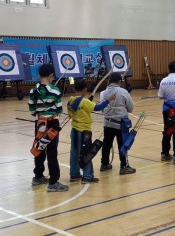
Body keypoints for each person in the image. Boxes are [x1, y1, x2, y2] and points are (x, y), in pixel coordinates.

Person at [28, 64, 68, 192]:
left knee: (39, 148)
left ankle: (38, 177)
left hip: (40, 123)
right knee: (52, 152)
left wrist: (41, 112)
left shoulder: (33, 91)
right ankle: (53, 182)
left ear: (39, 75)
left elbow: (32, 111)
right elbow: (59, 110)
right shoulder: (55, 91)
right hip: (52, 124)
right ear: (51, 75)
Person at [67, 79, 112, 184]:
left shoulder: (70, 101)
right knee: (86, 153)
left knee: (74, 153)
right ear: (85, 90)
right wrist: (108, 100)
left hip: (74, 130)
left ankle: (74, 174)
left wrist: (86, 103)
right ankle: (87, 176)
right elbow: (98, 107)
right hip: (84, 132)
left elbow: (75, 110)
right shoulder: (85, 102)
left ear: (74, 89)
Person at [100, 73, 136, 175]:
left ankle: (104, 164)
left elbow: (102, 109)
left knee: (106, 144)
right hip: (121, 124)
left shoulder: (103, 93)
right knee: (122, 144)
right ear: (119, 81)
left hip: (108, 123)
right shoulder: (123, 92)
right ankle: (123, 166)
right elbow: (130, 108)